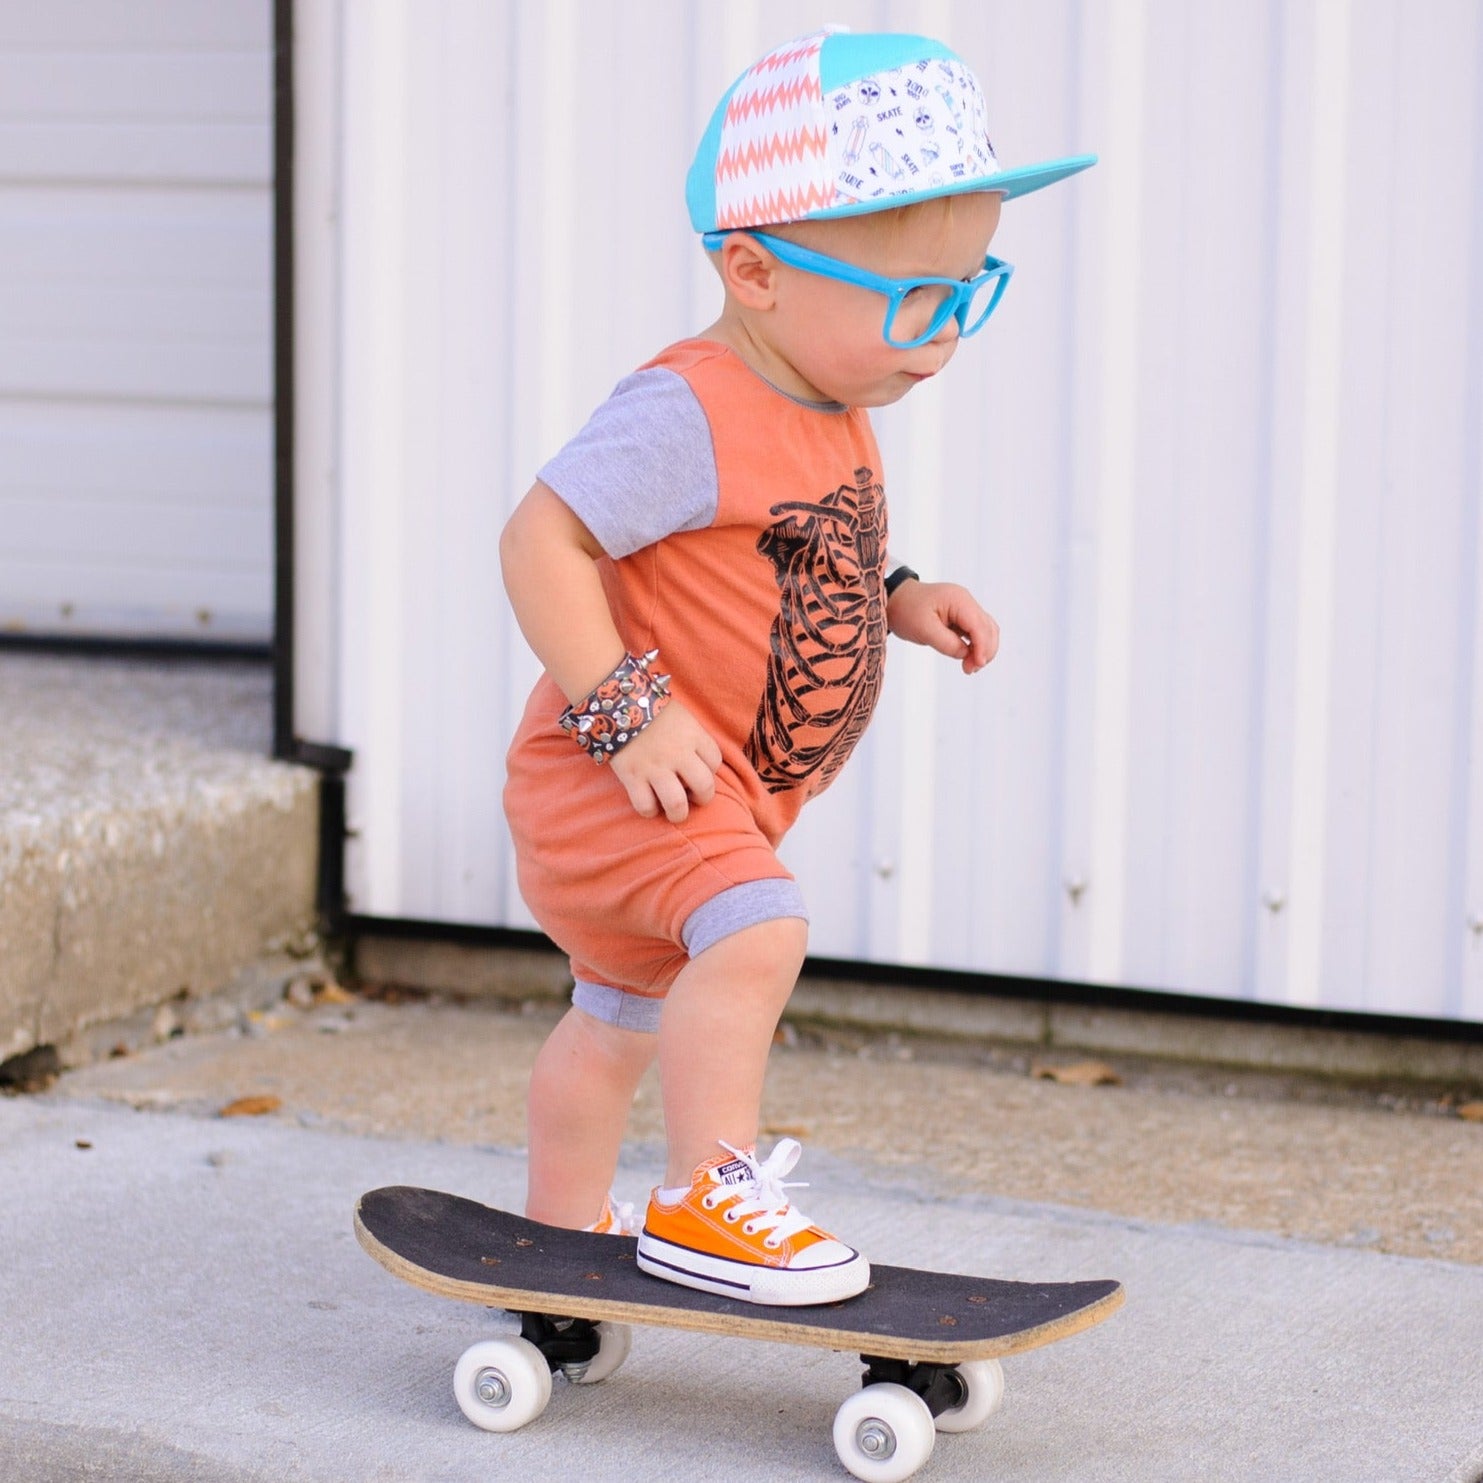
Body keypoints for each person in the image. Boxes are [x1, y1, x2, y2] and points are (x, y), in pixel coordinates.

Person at [499, 26, 1094, 1306]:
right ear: (755, 271)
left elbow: (787, 556)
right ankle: (708, 1197)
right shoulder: (692, 404)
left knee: (614, 1019)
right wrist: (622, 711)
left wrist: (900, 597)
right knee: (761, 929)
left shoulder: (831, 401)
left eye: (967, 288)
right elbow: (538, 537)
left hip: (697, 786)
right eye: (913, 297)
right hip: (615, 777)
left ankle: (558, 1237)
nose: (943, 333)